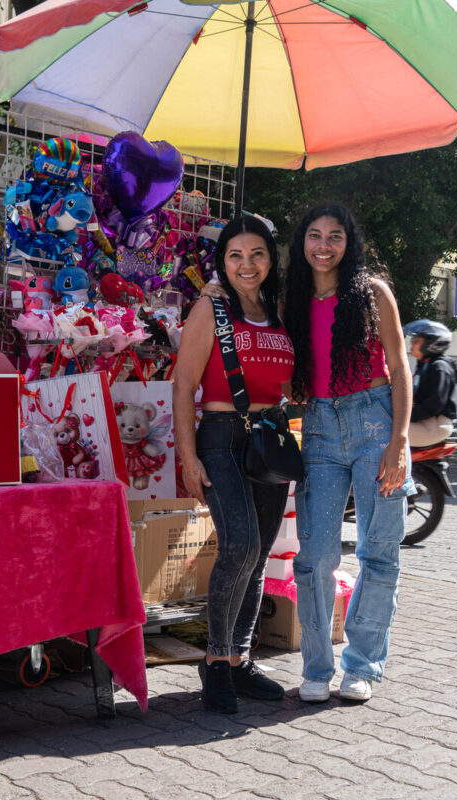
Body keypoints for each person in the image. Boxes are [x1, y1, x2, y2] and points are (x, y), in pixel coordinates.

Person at [281, 203, 414, 704]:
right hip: (318, 427)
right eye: (314, 235)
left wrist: (399, 443)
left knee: (379, 551)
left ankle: (361, 664)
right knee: (315, 556)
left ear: (349, 242)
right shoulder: (291, 298)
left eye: (334, 236)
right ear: (302, 244)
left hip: (375, 422)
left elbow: (400, 369)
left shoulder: (373, 292)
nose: (323, 245)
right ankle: (317, 667)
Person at [173, 215, 295, 714]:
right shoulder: (212, 307)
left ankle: (240, 659)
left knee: (260, 550)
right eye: (236, 255)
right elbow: (183, 386)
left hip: (270, 439)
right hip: (221, 438)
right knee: (239, 543)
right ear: (222, 261)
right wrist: (187, 456)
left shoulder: (280, 310)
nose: (248, 264)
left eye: (257, 254)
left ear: (271, 259)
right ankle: (216, 661)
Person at [403, 319, 457, 447]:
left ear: (431, 344)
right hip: (425, 421)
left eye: (416, 341)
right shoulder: (424, 365)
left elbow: (436, 402)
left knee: (384, 433)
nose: (411, 344)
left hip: (435, 425)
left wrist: (408, 415)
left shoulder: (439, 367)